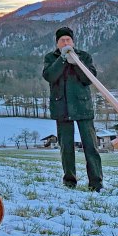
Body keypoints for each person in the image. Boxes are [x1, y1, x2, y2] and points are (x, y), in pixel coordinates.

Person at [42, 26, 103, 191]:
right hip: (61, 106)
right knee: (66, 147)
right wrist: (62, 59)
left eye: (68, 40)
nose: (65, 42)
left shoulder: (84, 56)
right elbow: (49, 76)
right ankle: (69, 181)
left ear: (73, 42)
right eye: (62, 40)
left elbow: (88, 78)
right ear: (57, 44)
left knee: (90, 146)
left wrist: (76, 63)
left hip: (82, 106)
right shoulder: (50, 58)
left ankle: (96, 182)